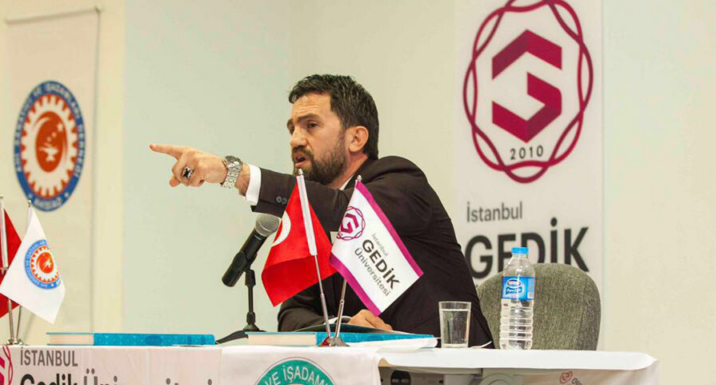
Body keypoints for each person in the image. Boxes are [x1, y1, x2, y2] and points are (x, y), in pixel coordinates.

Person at [150, 74, 493, 346]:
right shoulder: (314, 218)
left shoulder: (400, 181)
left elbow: (347, 214)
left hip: (456, 382)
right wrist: (344, 326)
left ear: (356, 138)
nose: (295, 139)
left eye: (310, 125)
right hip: (374, 384)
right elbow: (293, 314)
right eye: (292, 129)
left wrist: (233, 173)